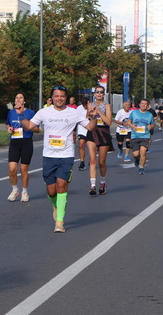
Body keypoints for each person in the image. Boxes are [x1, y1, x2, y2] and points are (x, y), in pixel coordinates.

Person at [17, 84, 96, 233]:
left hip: (66, 156)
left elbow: (91, 128)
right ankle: (56, 205)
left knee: (61, 186)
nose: (59, 98)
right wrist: (21, 114)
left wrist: (93, 116)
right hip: (49, 156)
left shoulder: (73, 113)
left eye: (62, 96)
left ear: (66, 98)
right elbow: (28, 126)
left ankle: (59, 221)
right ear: (52, 98)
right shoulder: (44, 112)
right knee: (51, 191)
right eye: (56, 96)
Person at [5, 93, 36, 202]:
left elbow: (37, 129)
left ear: (24, 101)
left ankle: (25, 191)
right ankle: (15, 190)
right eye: (17, 98)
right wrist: (9, 128)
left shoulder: (30, 113)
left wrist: (29, 127)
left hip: (26, 142)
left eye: (21, 97)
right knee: (12, 169)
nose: (18, 99)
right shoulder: (11, 112)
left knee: (23, 170)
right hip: (14, 142)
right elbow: (7, 124)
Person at [85, 86, 113, 196]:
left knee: (101, 162)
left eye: (101, 92)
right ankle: (92, 185)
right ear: (94, 94)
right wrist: (90, 114)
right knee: (92, 160)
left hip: (103, 132)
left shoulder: (107, 105)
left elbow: (109, 122)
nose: (99, 94)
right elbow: (86, 119)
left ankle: (102, 183)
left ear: (104, 94)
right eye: (97, 92)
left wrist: (99, 112)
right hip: (92, 131)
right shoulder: (90, 105)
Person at [127, 99, 155, 174]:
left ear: (148, 106)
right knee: (136, 154)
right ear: (139, 104)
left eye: (145, 104)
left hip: (145, 136)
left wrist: (150, 127)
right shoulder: (134, 113)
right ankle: (137, 159)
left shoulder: (150, 115)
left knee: (143, 152)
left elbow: (153, 124)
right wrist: (132, 125)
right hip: (135, 135)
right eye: (142, 103)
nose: (143, 105)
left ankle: (141, 168)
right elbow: (129, 121)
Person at [76, 97, 90, 171]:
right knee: (81, 145)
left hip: (90, 129)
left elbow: (89, 117)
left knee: (91, 147)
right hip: (82, 129)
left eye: (85, 104)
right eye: (83, 104)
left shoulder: (92, 107)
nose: (84, 106)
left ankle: (91, 159)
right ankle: (82, 162)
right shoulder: (79, 108)